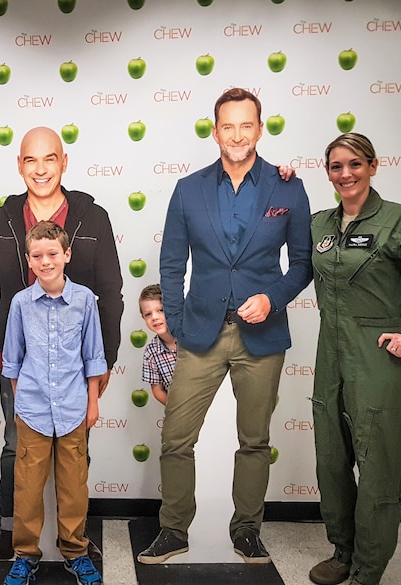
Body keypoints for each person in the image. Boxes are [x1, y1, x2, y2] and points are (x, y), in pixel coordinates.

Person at [137, 88, 313, 565]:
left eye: (246, 125)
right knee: (176, 438)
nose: (237, 135)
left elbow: (302, 264)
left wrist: (272, 298)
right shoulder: (189, 189)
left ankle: (247, 530)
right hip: (200, 331)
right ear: (215, 131)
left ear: (260, 128)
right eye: (228, 126)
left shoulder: (287, 187)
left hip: (263, 333)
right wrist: (172, 324)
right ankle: (173, 531)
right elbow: (171, 263)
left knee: (254, 440)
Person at [0, 126, 123, 561]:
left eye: (49, 159)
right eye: (30, 160)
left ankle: (71, 537)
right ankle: (11, 532)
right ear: (19, 165)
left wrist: (106, 361)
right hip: (18, 363)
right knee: (15, 446)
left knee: (75, 451)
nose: (40, 169)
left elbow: (110, 291)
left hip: (76, 363)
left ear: (64, 161)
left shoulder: (91, 217)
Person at [308, 133, 401, 585]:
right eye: (336, 166)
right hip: (330, 358)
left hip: (379, 361)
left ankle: (367, 571)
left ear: (373, 166)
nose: (346, 174)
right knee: (331, 462)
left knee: (378, 469)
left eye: (355, 164)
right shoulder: (318, 224)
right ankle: (343, 552)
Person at [1, 221, 107, 585]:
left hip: (75, 407)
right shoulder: (20, 303)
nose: (45, 262)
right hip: (32, 410)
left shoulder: (84, 300)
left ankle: (76, 551)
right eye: (37, 256)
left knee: (74, 485)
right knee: (28, 487)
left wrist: (92, 403)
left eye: (52, 254)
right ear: (29, 260)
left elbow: (94, 357)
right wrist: (20, 403)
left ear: (67, 255)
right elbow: (13, 360)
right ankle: (25, 555)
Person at [139, 284, 177, 405]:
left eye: (161, 310)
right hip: (179, 411)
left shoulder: (190, 336)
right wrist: (175, 409)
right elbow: (157, 390)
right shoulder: (151, 352)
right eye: (148, 314)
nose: (154, 317)